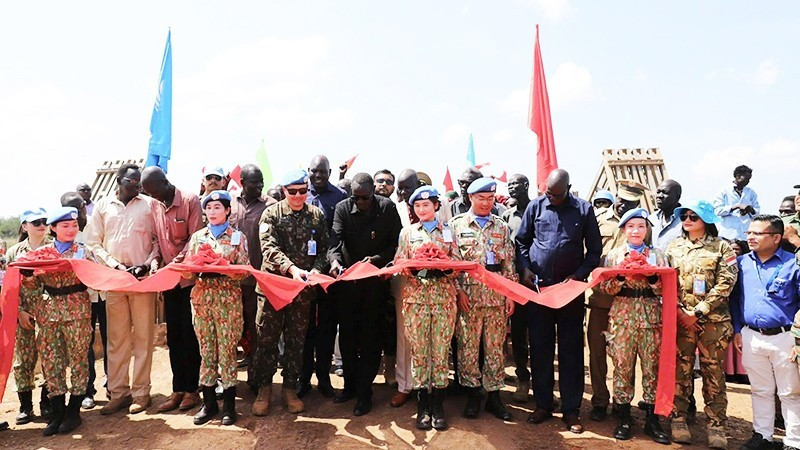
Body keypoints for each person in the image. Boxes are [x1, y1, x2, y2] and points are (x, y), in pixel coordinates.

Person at [515, 168, 602, 434]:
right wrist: (525, 269)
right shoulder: (535, 206)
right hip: (539, 290)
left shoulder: (584, 210)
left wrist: (577, 276)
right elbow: (521, 242)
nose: (550, 198)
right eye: (548, 193)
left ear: (568, 189)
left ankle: (571, 410)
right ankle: (542, 404)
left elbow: (594, 250)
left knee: (570, 350)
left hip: (569, 292)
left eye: (556, 194)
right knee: (540, 347)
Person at [252, 169, 329, 416]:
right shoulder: (271, 214)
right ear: (284, 191)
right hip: (274, 288)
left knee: (296, 341)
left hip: (301, 292)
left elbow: (324, 249)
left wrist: (315, 271)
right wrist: (292, 269)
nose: (298, 196)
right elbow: (269, 249)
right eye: (293, 191)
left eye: (303, 191)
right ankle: (264, 389)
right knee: (267, 339)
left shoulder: (316, 215)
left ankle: (289, 389)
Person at [86, 163, 161, 416]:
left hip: (142, 281)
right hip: (115, 281)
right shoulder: (103, 206)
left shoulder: (149, 205)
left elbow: (157, 241)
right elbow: (94, 243)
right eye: (132, 181)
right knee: (116, 340)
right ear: (119, 181)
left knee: (143, 338)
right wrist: (116, 266)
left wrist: (147, 264)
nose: (138, 185)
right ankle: (118, 393)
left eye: (139, 181)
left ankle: (141, 393)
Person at [666, 200, 738, 448]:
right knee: (680, 371)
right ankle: (678, 419)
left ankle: (716, 425)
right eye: (684, 216)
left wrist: (697, 312)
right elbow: (667, 283)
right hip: (681, 321)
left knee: (713, 374)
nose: (686, 220)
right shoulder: (673, 248)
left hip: (713, 323)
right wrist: (680, 312)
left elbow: (726, 283)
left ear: (705, 221)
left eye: (692, 217)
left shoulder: (722, 248)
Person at [328, 173, 402, 415]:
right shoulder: (342, 209)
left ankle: (364, 393)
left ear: (373, 193)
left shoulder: (387, 208)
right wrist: (335, 262)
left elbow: (396, 244)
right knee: (348, 339)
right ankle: (350, 386)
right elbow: (335, 242)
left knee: (370, 339)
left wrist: (378, 260)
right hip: (348, 286)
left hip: (375, 286)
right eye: (356, 198)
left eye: (365, 198)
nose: (360, 202)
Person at [597, 208, 670, 444]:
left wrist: (651, 278)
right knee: (622, 367)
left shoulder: (658, 256)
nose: (636, 230)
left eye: (640, 226)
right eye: (630, 226)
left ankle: (651, 419)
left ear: (647, 229)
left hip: (650, 317)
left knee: (651, 369)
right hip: (623, 316)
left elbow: (667, 289)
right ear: (624, 230)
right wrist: (619, 277)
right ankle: (624, 417)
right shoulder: (614, 255)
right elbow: (605, 289)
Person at [395, 185, 463, 431]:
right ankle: (422, 407)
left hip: (444, 298)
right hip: (416, 299)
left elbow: (459, 263)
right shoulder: (407, 233)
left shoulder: (450, 232)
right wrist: (414, 265)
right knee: (420, 353)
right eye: (417, 206)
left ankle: (438, 406)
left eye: (427, 205)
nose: (422, 209)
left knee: (441, 351)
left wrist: (444, 265)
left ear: (436, 206)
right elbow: (399, 262)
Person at [730, 215, 800, 450]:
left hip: (785, 336)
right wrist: (738, 329)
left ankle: (793, 442)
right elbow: (736, 298)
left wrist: (798, 341)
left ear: (776, 238)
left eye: (758, 233)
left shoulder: (793, 263)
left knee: (790, 391)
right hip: (751, 335)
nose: (750, 237)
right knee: (760, 389)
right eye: (749, 232)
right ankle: (763, 435)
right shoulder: (741, 263)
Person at [450, 177, 516, 421]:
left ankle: (494, 397)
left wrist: (511, 294)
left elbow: (509, 262)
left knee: (495, 349)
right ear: (470, 198)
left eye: (490, 198)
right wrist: (458, 292)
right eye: (481, 198)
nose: (486, 203)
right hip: (469, 297)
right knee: (467, 348)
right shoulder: (456, 226)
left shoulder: (501, 226)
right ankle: (472, 395)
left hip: (496, 297)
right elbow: (453, 263)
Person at [183, 190, 249, 426]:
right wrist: (197, 263)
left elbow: (244, 271)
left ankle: (230, 407)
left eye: (217, 208)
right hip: (203, 301)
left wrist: (223, 265)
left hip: (228, 301)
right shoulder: (198, 238)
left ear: (228, 210)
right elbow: (188, 272)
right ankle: (208, 404)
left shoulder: (237, 238)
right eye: (209, 208)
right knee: (207, 353)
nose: (212, 212)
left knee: (228, 353)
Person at [141, 166, 205, 413]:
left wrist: (175, 264)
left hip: (189, 281)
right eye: (150, 195)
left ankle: (192, 390)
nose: (155, 198)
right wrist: (156, 262)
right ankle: (178, 389)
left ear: (165, 182)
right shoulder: (155, 206)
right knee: (174, 338)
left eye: (156, 192)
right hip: (168, 283)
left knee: (190, 337)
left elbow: (196, 240)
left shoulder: (190, 201)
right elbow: (157, 241)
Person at [31, 207, 95, 435]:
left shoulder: (83, 251)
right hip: (48, 312)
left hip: (77, 308)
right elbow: (31, 285)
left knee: (78, 359)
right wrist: (29, 276)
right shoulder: (42, 252)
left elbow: (97, 278)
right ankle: (57, 412)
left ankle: (73, 411)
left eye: (74, 225)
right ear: (53, 228)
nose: (71, 229)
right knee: (51, 361)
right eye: (65, 226)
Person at [587, 179, 646, 422]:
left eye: (632, 203)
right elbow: (588, 253)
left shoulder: (642, 224)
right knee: (598, 351)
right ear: (615, 199)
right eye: (622, 202)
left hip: (630, 302)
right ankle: (600, 400)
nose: (625, 207)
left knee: (627, 356)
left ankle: (623, 404)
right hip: (601, 298)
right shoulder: (598, 220)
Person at [298, 155, 347, 399]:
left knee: (327, 327)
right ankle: (303, 378)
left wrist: (333, 263)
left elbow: (339, 236)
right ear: (308, 171)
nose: (318, 177)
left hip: (328, 273)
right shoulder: (299, 194)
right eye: (314, 172)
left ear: (329, 172)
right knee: (304, 327)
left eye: (323, 172)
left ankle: (324, 378)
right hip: (302, 274)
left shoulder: (339, 197)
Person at [228, 164, 277, 390]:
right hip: (232, 282)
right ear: (242, 183)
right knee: (233, 330)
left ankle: (256, 380)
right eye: (253, 183)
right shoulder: (230, 203)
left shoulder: (271, 206)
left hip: (259, 281)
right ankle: (227, 381)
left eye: (261, 182)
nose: (259, 187)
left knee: (257, 330)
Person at [6, 208, 51, 425]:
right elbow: (8, 287)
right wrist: (19, 312)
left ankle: (47, 402)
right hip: (22, 313)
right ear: (25, 226)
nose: (41, 225)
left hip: (49, 312)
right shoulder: (14, 253)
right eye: (36, 222)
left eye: (44, 221)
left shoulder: (53, 249)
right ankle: (25, 406)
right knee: (23, 360)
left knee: (51, 359)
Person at [60, 192, 104, 410]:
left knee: (109, 340)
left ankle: (114, 388)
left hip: (102, 293)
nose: (78, 212)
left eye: (80, 207)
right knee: (84, 345)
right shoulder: (61, 234)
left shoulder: (96, 225)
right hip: (79, 300)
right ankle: (88, 390)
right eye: (72, 209)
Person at [388, 168, 421, 408]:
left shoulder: (434, 209)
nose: (402, 193)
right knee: (404, 338)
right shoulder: (393, 210)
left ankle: (426, 385)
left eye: (407, 188)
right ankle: (404, 386)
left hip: (432, 287)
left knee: (429, 338)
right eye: (399, 189)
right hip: (403, 284)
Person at [501, 174, 533, 403]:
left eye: (516, 184)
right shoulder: (506, 215)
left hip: (537, 282)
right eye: (509, 184)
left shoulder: (539, 210)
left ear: (526, 186)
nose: (511, 187)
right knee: (519, 336)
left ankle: (543, 385)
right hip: (515, 283)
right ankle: (523, 379)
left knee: (540, 337)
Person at [713, 165, 760, 240]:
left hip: (745, 235)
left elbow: (757, 213)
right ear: (738, 176)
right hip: (728, 235)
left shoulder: (751, 193)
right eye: (746, 178)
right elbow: (717, 211)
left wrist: (750, 209)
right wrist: (736, 207)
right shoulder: (724, 191)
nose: (748, 181)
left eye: (749, 179)